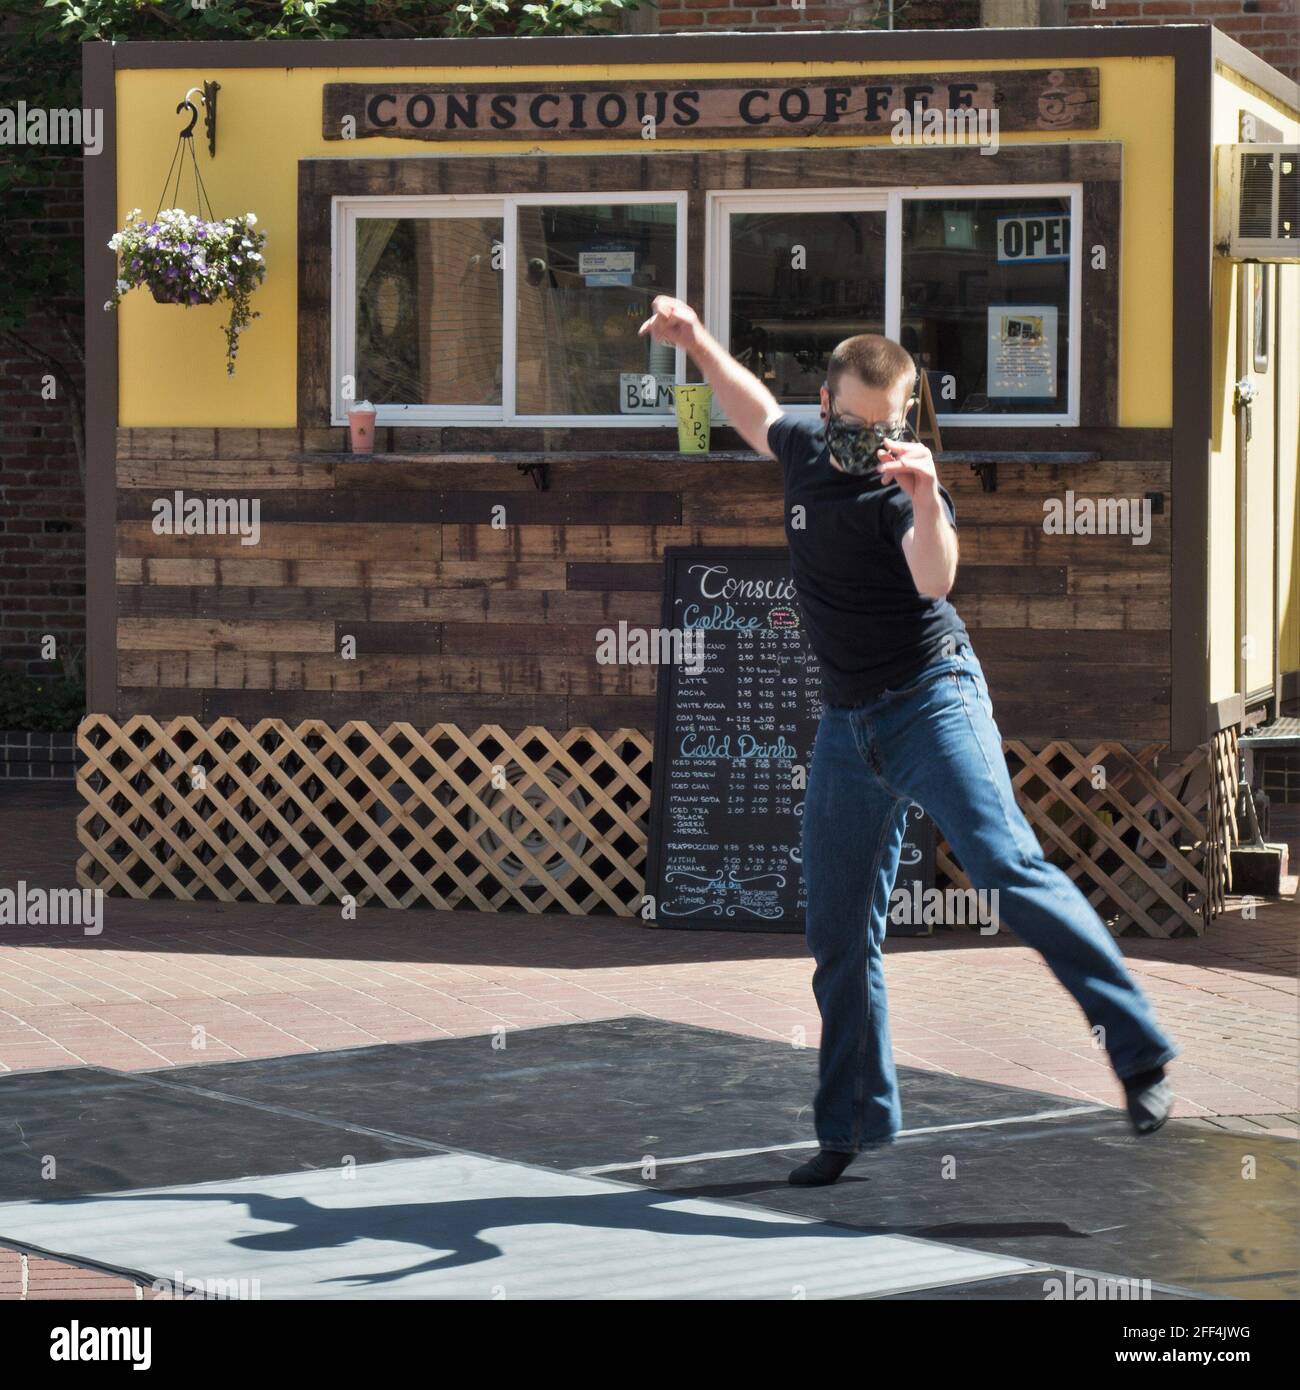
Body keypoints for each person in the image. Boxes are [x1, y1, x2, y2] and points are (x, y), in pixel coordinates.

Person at [638, 296, 1179, 1187]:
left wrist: (925, 498)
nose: (865, 448)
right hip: (849, 727)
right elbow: (750, 410)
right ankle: (850, 1122)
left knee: (1008, 867)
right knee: (838, 927)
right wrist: (697, 342)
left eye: (885, 431)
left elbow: (936, 578)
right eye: (852, 429)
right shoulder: (806, 448)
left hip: (933, 702)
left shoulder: (903, 486)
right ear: (826, 405)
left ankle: (1140, 1051)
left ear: (907, 418)